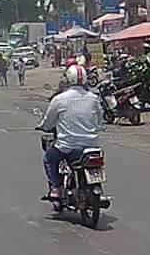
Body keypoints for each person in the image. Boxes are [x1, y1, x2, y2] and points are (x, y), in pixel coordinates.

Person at [37, 64, 103, 200]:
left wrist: (42, 127)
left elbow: (48, 122)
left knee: (49, 159)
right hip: (92, 145)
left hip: (67, 146)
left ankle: (56, 188)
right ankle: (96, 187)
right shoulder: (93, 98)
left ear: (68, 79)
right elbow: (99, 119)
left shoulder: (59, 99)